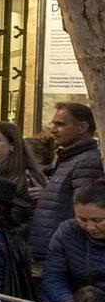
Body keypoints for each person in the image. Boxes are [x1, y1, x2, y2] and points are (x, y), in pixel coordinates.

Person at [29, 102, 100, 269]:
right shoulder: (67, 158)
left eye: (60, 124)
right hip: (48, 252)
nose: (53, 129)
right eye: (53, 124)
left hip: (60, 256)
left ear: (82, 127)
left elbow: (84, 210)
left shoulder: (87, 161)